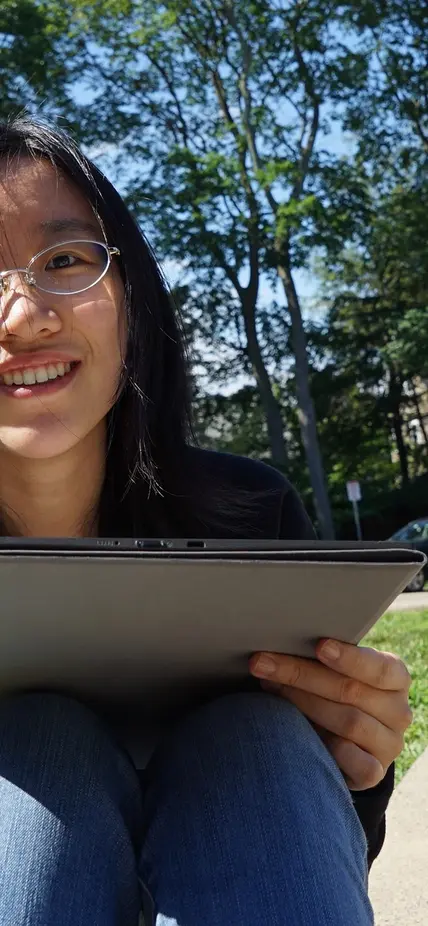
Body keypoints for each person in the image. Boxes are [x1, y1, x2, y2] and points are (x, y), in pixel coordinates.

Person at [0, 117, 412, 926]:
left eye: (65, 260)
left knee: (256, 739)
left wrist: (358, 763)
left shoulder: (255, 512)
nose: (20, 315)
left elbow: (318, 841)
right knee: (37, 743)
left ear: (131, 297)